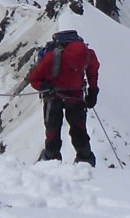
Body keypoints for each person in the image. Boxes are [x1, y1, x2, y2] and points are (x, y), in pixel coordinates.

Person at [28, 28, 101, 166]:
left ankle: (51, 159)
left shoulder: (86, 55)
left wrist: (93, 91)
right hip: (63, 94)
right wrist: (93, 90)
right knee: (71, 128)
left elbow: (33, 79)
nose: (77, 68)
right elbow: (34, 79)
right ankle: (84, 159)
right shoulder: (54, 57)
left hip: (58, 95)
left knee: (57, 128)